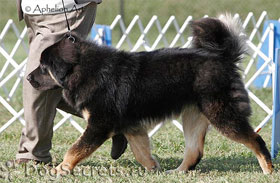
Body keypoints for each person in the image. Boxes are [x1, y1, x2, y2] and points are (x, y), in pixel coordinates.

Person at [15, 0, 127, 164]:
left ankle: (33, 155)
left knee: (39, 82)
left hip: (63, 9)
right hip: (35, 12)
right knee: (53, 87)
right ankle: (113, 119)